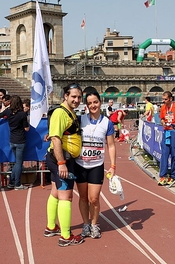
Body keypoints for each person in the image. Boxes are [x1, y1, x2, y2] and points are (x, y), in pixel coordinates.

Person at [44, 83, 84, 247]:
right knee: (66, 197)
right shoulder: (61, 113)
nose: (76, 100)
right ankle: (66, 236)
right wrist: (62, 164)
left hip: (61, 158)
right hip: (62, 160)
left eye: (79, 97)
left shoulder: (69, 113)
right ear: (65, 96)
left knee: (55, 193)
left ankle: (51, 227)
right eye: (73, 96)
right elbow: (56, 138)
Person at [75, 90, 116, 239]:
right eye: (90, 103)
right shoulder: (80, 120)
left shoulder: (107, 122)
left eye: (95, 102)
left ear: (100, 102)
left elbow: (111, 145)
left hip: (97, 165)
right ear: (86, 105)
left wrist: (113, 165)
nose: (93, 105)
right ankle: (86, 224)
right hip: (80, 165)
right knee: (83, 197)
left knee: (94, 198)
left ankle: (94, 224)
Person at [0, 95, 29, 190]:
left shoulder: (8, 111)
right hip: (20, 140)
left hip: (12, 140)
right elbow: (26, 129)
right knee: (19, 163)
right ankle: (17, 184)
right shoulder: (22, 114)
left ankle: (11, 182)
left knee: (16, 162)